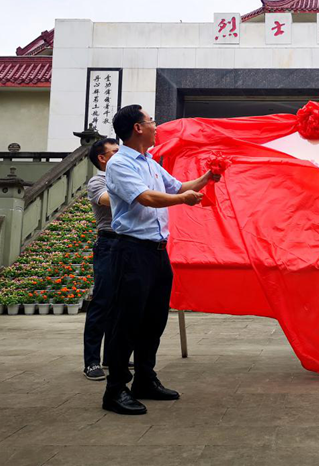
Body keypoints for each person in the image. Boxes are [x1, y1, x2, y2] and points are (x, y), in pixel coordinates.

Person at [102, 104, 219, 415]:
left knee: (154, 320)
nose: (156, 125)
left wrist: (208, 176)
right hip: (131, 251)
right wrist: (183, 200)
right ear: (138, 128)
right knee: (127, 321)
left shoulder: (151, 163)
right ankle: (115, 389)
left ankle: (144, 379)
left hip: (156, 252)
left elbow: (179, 187)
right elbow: (146, 198)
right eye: (151, 120)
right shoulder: (120, 164)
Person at [82, 137, 120, 381]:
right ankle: (92, 361)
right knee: (102, 302)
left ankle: (112, 356)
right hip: (108, 243)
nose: (121, 154)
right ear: (102, 158)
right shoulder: (98, 180)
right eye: (115, 152)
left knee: (123, 303)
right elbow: (108, 201)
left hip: (129, 243)